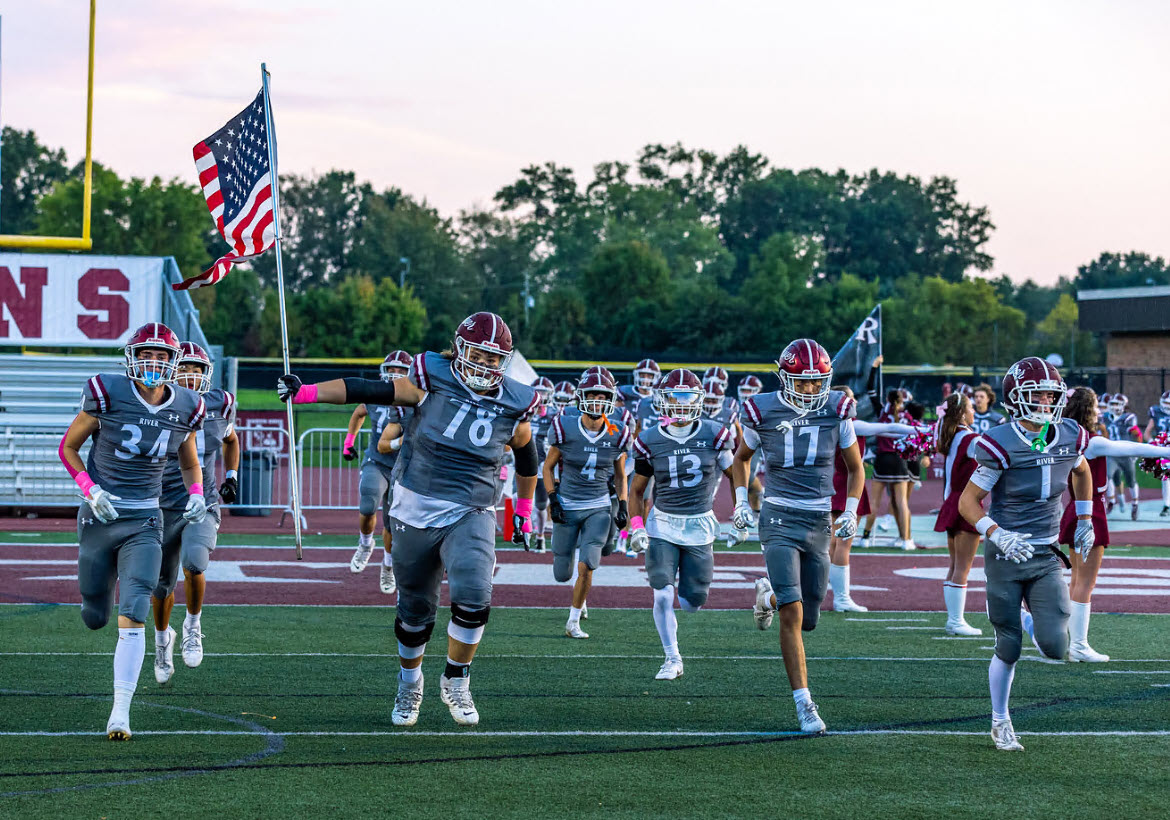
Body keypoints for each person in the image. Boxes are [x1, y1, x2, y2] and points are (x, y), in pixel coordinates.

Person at [277, 312, 539, 728]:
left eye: (494, 359)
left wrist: (523, 511)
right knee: (415, 612)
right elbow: (369, 389)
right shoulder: (429, 377)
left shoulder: (514, 400)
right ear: (458, 350)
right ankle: (409, 680)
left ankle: (456, 678)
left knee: (475, 593)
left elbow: (527, 456)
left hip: (472, 507)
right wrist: (307, 392)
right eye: (478, 355)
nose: (485, 366)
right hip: (415, 505)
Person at [58, 323, 207, 739]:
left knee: (136, 607)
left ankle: (119, 713)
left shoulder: (188, 405)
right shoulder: (107, 392)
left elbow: (190, 460)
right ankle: (96, 603)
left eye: (162, 357)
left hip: (146, 518)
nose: (154, 363)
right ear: (133, 357)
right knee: (94, 615)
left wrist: (196, 491)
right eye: (147, 355)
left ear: (173, 362)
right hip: (100, 517)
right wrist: (89, 489)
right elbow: (68, 446)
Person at [958, 357, 1093, 752]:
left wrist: (1083, 517)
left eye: (1052, 394)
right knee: (1009, 646)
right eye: (1038, 394)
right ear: (1015, 399)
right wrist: (995, 534)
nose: (1047, 401)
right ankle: (1000, 721)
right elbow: (969, 502)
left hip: (1046, 552)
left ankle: (1028, 618)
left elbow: (1081, 471)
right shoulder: (1000, 442)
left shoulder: (1070, 434)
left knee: (1057, 647)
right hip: (1006, 553)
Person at [732, 339, 864, 733]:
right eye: (801, 382)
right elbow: (741, 459)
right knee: (793, 612)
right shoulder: (762, 409)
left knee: (809, 616)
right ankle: (805, 704)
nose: (809, 389)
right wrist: (741, 500)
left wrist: (853, 509)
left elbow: (856, 469)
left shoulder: (837, 409)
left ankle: (767, 594)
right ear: (784, 377)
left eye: (816, 382)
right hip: (777, 516)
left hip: (818, 521)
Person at [628, 369, 735, 680]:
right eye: (674, 398)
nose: (680, 405)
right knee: (662, 593)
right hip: (662, 523)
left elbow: (736, 472)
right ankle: (672, 657)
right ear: (662, 401)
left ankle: (688, 605)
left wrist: (744, 503)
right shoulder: (649, 439)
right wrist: (636, 525)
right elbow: (636, 490)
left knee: (692, 603)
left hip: (700, 524)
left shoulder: (715, 434)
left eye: (687, 398)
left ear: (699, 401)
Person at [151, 342, 239, 684]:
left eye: (197, 369)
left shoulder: (221, 404)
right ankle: (161, 640)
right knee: (160, 585)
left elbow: (231, 439)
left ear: (207, 374)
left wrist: (231, 476)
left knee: (195, 562)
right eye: (185, 367)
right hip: (160, 504)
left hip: (203, 502)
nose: (190, 375)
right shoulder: (157, 403)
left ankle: (192, 624)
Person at [1060, 387, 1170, 661]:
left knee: (1076, 579)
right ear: (1088, 409)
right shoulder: (1090, 441)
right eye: (1096, 406)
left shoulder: (1065, 437)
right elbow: (1128, 447)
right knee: (1085, 582)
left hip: (1073, 507)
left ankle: (1070, 642)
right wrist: (1164, 449)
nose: (1099, 411)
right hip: (1091, 510)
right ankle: (1079, 646)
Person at [543, 370, 631, 638]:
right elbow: (547, 467)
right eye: (591, 395)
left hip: (598, 505)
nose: (596, 400)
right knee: (562, 572)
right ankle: (581, 594)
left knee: (589, 562)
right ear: (580, 398)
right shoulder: (564, 426)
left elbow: (620, 474)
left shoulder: (619, 431)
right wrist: (552, 497)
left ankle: (573, 621)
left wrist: (623, 504)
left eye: (602, 396)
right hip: (568, 503)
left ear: (611, 399)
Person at [829, 388, 916, 612]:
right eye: (851, 397)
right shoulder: (850, 423)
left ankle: (820, 591)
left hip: (828, 483)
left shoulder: (824, 422)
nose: (856, 401)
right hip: (848, 484)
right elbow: (889, 428)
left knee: (827, 544)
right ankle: (841, 597)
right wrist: (924, 430)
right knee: (843, 544)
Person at [343, 350, 411, 590]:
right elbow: (360, 412)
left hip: (403, 468)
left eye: (400, 370)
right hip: (376, 461)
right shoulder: (375, 394)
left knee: (392, 523)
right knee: (368, 503)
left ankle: (388, 565)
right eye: (391, 369)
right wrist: (348, 441)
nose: (394, 374)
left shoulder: (414, 397)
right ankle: (365, 543)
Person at [932, 392, 983, 636]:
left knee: (955, 564)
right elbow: (996, 457)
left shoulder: (954, 436)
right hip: (966, 502)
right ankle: (956, 620)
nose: (975, 412)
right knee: (962, 566)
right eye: (971, 408)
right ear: (962, 414)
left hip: (953, 500)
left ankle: (954, 619)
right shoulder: (970, 438)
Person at [528, 376, 557, 552]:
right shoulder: (525, 412)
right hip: (523, 464)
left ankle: (540, 537)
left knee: (540, 505)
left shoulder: (554, 415)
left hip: (541, 466)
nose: (541, 396)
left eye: (544, 393)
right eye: (538, 392)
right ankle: (525, 528)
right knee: (517, 498)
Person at [1103, 393, 1143, 520]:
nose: (1114, 407)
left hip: (1126, 453)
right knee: (1107, 476)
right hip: (1112, 453)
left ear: (1123, 406)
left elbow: (1137, 434)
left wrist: (1137, 450)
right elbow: (1104, 433)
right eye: (1113, 404)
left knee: (1131, 481)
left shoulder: (1128, 418)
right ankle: (1111, 501)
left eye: (1117, 404)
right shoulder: (1106, 417)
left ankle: (1135, 504)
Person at [1144, 390, 1170, 516]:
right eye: (1166, 403)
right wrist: (1153, 444)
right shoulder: (1156, 412)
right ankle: (1167, 504)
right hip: (1164, 448)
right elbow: (1147, 432)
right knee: (1166, 476)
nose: (1168, 405)